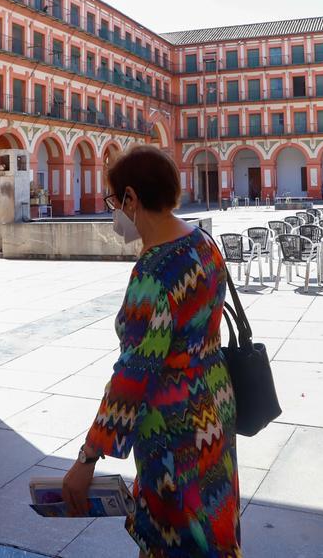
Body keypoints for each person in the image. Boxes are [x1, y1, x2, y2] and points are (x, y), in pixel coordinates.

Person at [63, 145, 240, 557]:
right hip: (216, 403)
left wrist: (87, 457)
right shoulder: (204, 243)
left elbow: (134, 374)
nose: (113, 213)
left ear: (131, 198)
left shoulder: (153, 273)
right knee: (213, 519)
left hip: (176, 425)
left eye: (114, 202)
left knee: (175, 535)